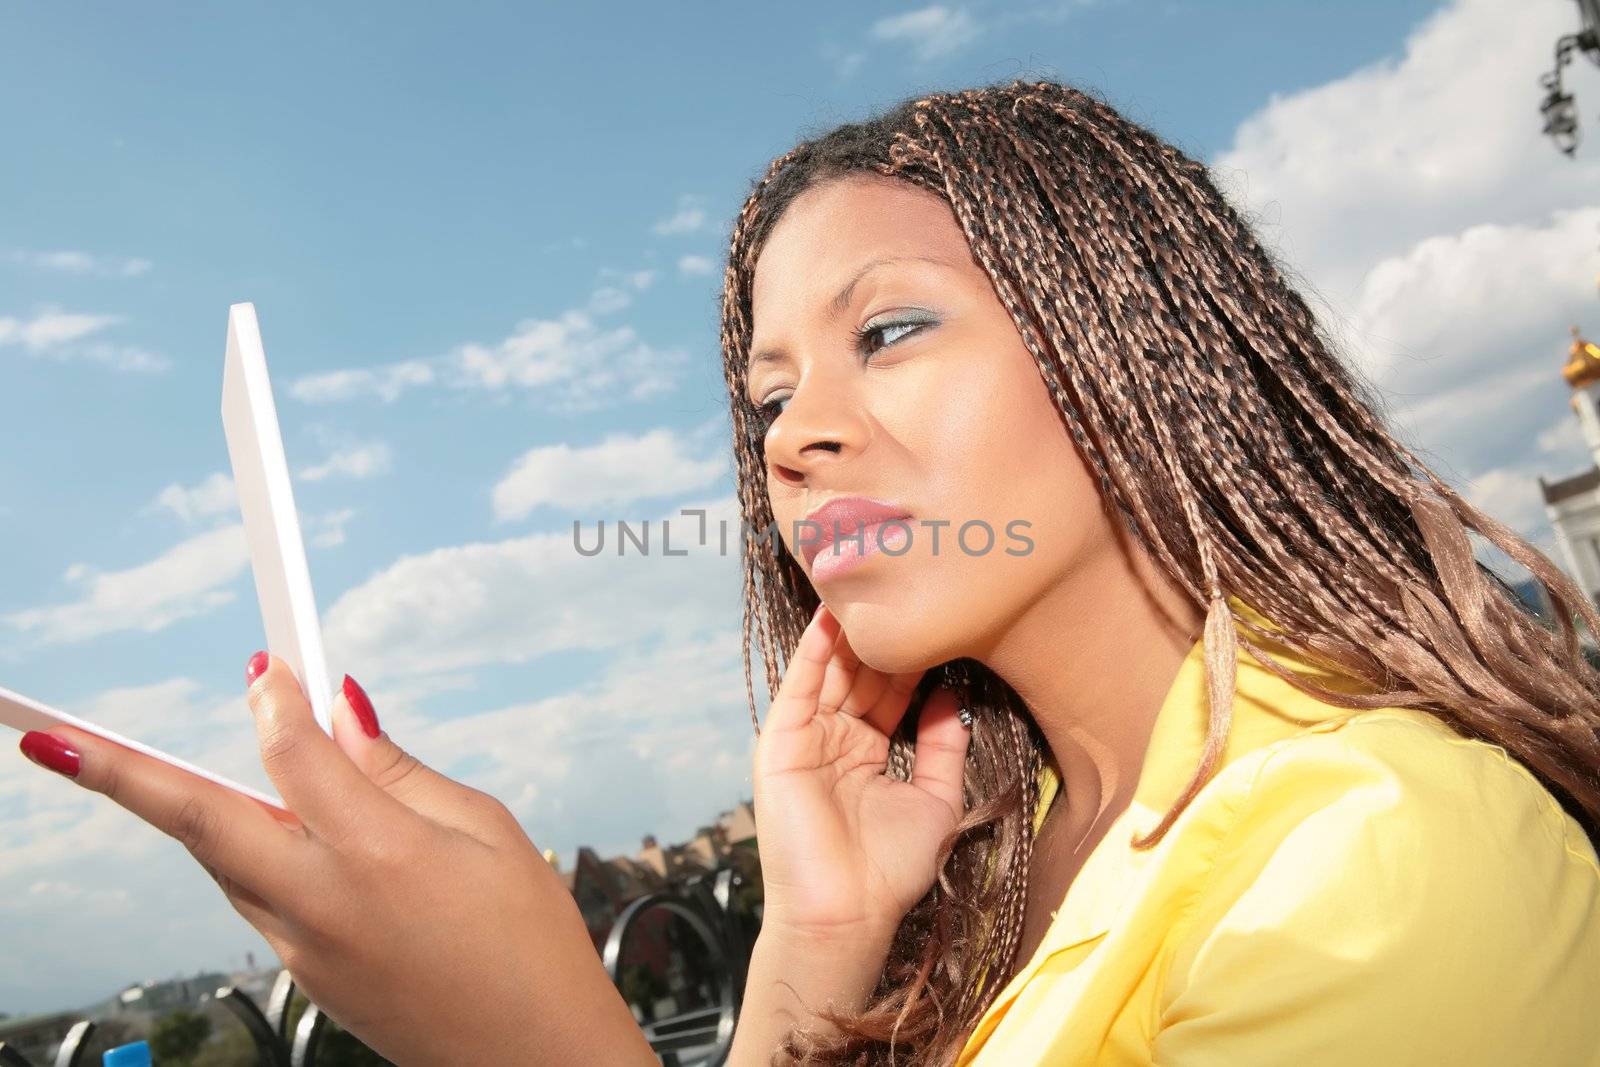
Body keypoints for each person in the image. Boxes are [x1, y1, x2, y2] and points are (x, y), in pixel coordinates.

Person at [16, 78, 1600, 1066]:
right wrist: (809, 952)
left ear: (1137, 347)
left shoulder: (1378, 864)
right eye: (767, 399)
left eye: (888, 332)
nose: (793, 440)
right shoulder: (1015, 857)